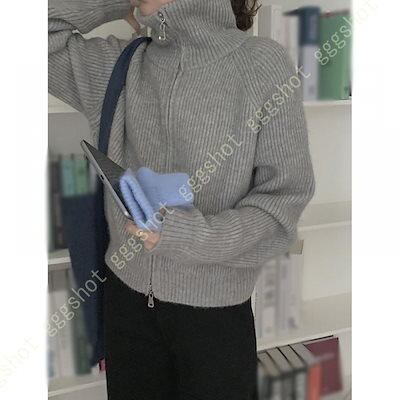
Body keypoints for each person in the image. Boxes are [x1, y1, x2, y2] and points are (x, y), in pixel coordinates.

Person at [48, 0, 316, 398]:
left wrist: (186, 235)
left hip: (214, 318)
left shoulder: (263, 64)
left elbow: (282, 205)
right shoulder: (120, 65)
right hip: (126, 305)